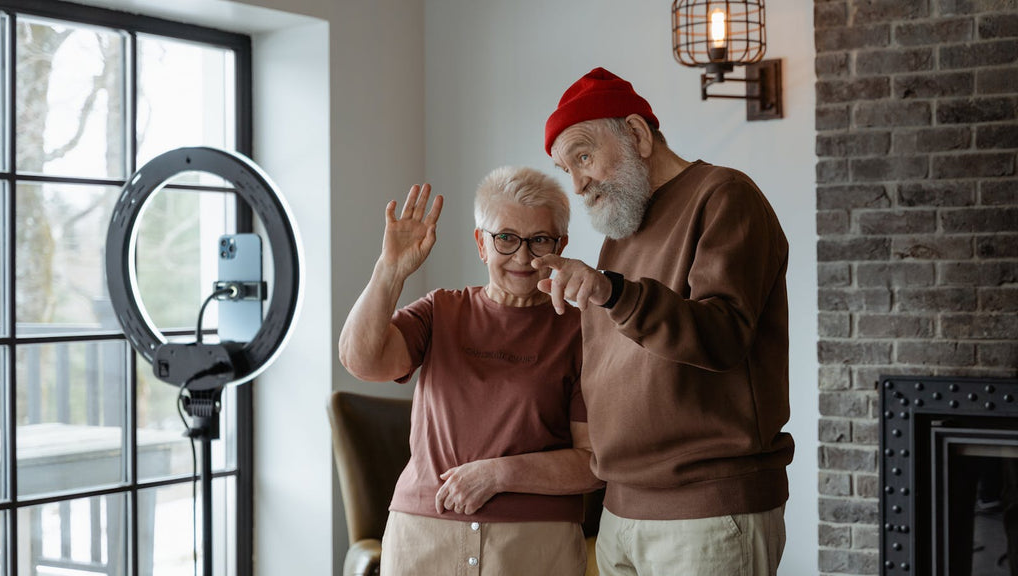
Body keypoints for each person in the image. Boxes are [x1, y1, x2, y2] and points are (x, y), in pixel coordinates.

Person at [533, 66, 794, 575]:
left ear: (636, 133)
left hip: (709, 510)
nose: (579, 183)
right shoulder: (621, 233)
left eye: (584, 156)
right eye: (568, 169)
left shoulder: (724, 196)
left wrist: (612, 291)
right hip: (621, 511)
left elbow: (721, 335)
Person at [338, 166, 603, 575]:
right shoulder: (442, 310)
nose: (523, 257)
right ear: (482, 243)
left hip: (533, 545)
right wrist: (390, 270)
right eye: (506, 238)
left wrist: (498, 474)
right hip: (422, 538)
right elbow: (361, 360)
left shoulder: (581, 331)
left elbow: (594, 462)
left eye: (539, 241)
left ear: (561, 245)